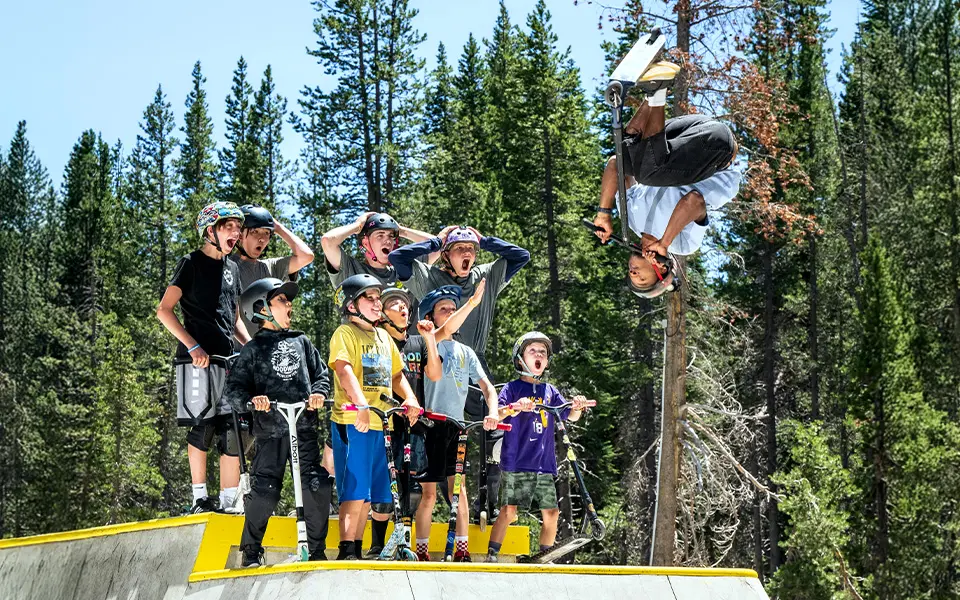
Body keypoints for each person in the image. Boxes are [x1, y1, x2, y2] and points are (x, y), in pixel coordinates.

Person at [389, 226, 530, 520]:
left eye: (471, 250)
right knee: (435, 436)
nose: (467, 254)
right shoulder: (430, 277)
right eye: (459, 249)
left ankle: (488, 504)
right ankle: (419, 503)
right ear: (446, 256)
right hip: (436, 357)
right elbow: (399, 258)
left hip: (471, 358)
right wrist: (435, 242)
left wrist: (485, 240)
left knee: (492, 428)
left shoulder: (485, 275)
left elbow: (521, 256)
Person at [594, 61, 741, 299]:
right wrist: (664, 242)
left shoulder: (631, 220)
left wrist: (604, 214)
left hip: (687, 132)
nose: (633, 273)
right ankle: (658, 91)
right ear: (661, 269)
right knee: (648, 174)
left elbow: (614, 166)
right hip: (717, 151)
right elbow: (694, 201)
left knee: (625, 156)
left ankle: (654, 87)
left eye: (631, 275)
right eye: (641, 278)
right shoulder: (682, 244)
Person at [223, 277, 332, 566]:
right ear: (262, 309)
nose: (289, 305)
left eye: (288, 300)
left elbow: (321, 375)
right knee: (264, 492)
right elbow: (234, 390)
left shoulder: (301, 341)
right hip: (271, 431)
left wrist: (319, 393)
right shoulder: (253, 349)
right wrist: (252, 401)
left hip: (303, 427)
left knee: (315, 486)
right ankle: (251, 550)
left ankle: (316, 551)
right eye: (282, 300)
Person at [156, 201, 251, 513]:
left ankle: (228, 501)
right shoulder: (191, 263)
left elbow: (233, 319)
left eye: (238, 227)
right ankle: (199, 499)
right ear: (210, 231)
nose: (236, 232)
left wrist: (251, 346)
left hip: (227, 361)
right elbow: (164, 311)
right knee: (203, 426)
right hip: (196, 360)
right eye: (229, 227)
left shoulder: (232, 269)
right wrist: (193, 346)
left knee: (233, 429)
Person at [328, 274, 421, 560]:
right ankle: (346, 549)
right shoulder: (345, 333)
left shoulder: (383, 337)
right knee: (354, 489)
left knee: (370, 494)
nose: (376, 302)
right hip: (353, 421)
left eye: (378, 297)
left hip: (382, 423)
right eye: (369, 298)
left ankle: (358, 548)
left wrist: (410, 399)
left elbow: (396, 375)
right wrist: (361, 405)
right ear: (351, 305)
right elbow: (344, 371)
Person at [410, 286, 499, 562]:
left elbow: (487, 387)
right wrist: (472, 302)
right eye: (444, 309)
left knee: (458, 490)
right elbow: (445, 332)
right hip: (430, 425)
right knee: (428, 494)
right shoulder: (427, 342)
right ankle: (421, 551)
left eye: (453, 308)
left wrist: (493, 412)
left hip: (456, 426)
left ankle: (462, 549)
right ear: (431, 316)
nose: (450, 313)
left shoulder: (466, 352)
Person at [486, 332, 588, 563]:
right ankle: (492, 555)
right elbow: (498, 413)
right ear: (520, 359)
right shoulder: (512, 388)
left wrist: (578, 406)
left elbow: (570, 415)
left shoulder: (550, 391)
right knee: (509, 511)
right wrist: (515, 407)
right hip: (517, 461)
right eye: (533, 351)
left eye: (543, 352)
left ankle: (545, 555)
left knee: (551, 513)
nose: (539, 355)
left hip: (543, 463)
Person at [230, 204, 316, 334]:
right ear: (240, 235)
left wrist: (278, 227)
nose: (262, 238)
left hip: (270, 345)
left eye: (267, 233)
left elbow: (306, 256)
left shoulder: (271, 267)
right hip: (240, 347)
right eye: (255, 231)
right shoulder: (226, 268)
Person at [321, 212, 438, 289]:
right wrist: (358, 226)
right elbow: (328, 241)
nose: (388, 241)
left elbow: (438, 246)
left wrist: (401, 230)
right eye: (380, 235)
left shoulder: (404, 269)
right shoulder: (351, 270)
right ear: (365, 243)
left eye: (391, 236)